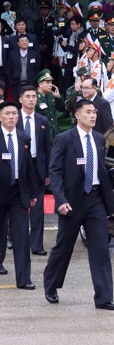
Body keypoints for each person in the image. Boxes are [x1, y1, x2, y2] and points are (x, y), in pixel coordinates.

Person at [43, 99, 114, 309]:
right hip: (72, 201)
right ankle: (51, 285)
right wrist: (60, 199)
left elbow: (101, 169)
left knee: (101, 249)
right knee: (63, 247)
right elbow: (55, 171)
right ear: (77, 115)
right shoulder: (64, 138)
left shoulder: (98, 138)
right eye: (88, 112)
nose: (93, 116)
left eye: (94, 112)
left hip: (95, 199)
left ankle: (104, 298)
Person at [0, 100, 37, 289]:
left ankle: (24, 279)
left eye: (14, 114)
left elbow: (28, 168)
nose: (12, 117)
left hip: (18, 193)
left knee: (22, 237)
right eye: (7, 114)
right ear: (0, 117)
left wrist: (31, 192)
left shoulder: (24, 138)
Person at [18, 86, 51, 255]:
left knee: (38, 209)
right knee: (18, 206)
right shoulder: (13, 118)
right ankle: (15, 239)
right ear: (20, 99)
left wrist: (47, 173)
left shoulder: (42, 121)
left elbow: (47, 148)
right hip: (19, 166)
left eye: (33, 96)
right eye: (28, 96)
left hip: (37, 166)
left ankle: (37, 245)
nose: (31, 99)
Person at [7, 34, 40, 101]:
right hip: (16, 84)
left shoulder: (35, 54)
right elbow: (8, 69)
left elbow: (38, 69)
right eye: (22, 41)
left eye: (26, 40)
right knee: (17, 102)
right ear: (18, 44)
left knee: (30, 102)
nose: (24, 42)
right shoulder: (12, 54)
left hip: (31, 83)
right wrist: (11, 81)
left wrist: (36, 83)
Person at [36, 70, 64, 143]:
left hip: (55, 133)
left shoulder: (51, 96)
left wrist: (58, 98)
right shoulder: (34, 98)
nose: (50, 85)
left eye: (51, 82)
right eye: (47, 82)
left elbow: (62, 109)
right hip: (42, 134)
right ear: (40, 84)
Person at [33, 0, 56, 70]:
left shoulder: (53, 20)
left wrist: (47, 45)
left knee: (50, 66)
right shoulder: (37, 21)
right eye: (41, 9)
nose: (43, 11)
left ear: (48, 10)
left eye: (45, 9)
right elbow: (35, 34)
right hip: (39, 48)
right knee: (40, 65)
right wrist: (39, 45)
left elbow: (54, 35)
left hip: (49, 48)